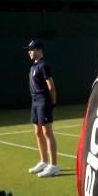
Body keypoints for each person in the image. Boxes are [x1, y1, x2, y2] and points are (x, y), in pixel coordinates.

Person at [24, 39, 59, 178]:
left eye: (31, 49)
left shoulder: (44, 65)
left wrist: (53, 103)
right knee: (38, 132)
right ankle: (44, 162)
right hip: (34, 100)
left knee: (47, 132)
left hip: (43, 100)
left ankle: (54, 166)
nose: (29, 52)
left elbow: (51, 87)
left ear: (39, 50)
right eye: (28, 50)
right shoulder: (33, 67)